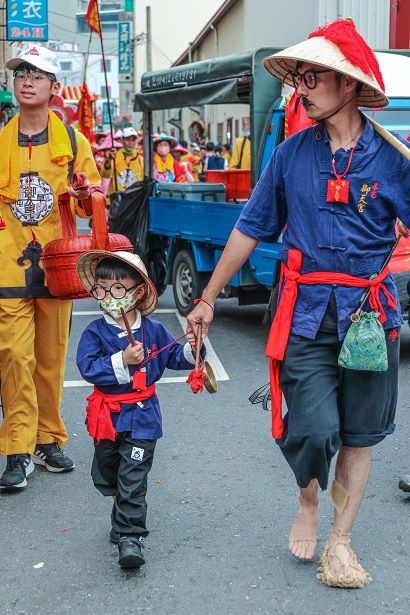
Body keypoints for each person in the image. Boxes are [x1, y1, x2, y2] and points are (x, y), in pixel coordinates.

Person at [186, 19, 410, 589]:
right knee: (310, 428)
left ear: (348, 85)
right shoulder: (289, 155)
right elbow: (250, 228)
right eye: (300, 78)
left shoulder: (394, 162)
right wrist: (208, 298)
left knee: (360, 434)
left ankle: (341, 539)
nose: (301, 89)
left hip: (370, 315)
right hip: (306, 310)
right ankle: (308, 499)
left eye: (312, 78)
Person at [0, 45, 101, 490]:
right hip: (7, 266)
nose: (27, 79)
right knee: (15, 360)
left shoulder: (74, 143)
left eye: (38, 74)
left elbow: (96, 199)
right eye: (21, 72)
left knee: (49, 359)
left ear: (53, 87)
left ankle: (48, 438)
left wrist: (85, 193)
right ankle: (18, 449)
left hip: (58, 268)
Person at [75, 251, 204, 568]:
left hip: (143, 417)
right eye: (102, 289)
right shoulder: (94, 332)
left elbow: (174, 357)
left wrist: (193, 347)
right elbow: (87, 367)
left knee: (133, 478)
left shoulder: (154, 330)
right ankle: (122, 516)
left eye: (118, 288)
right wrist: (122, 361)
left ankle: (131, 537)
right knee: (109, 475)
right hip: (107, 419)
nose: (109, 296)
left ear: (139, 291)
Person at [100, 126, 144, 196]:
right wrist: (109, 159)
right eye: (128, 139)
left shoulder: (140, 160)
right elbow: (105, 174)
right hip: (117, 199)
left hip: (135, 199)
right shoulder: (114, 156)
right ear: (122, 140)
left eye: (133, 140)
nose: (130, 143)